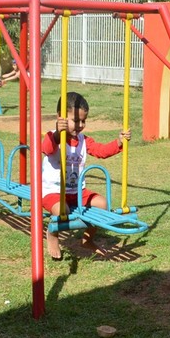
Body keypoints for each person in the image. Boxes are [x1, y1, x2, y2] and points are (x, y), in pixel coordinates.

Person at [41, 92, 131, 261]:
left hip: (77, 191)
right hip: (53, 190)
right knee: (62, 210)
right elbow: (47, 149)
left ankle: (87, 239)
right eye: (76, 121)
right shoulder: (52, 137)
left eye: (84, 121)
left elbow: (100, 151)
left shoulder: (84, 140)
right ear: (60, 118)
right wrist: (56, 135)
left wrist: (118, 143)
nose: (80, 125)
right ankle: (53, 235)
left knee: (103, 204)